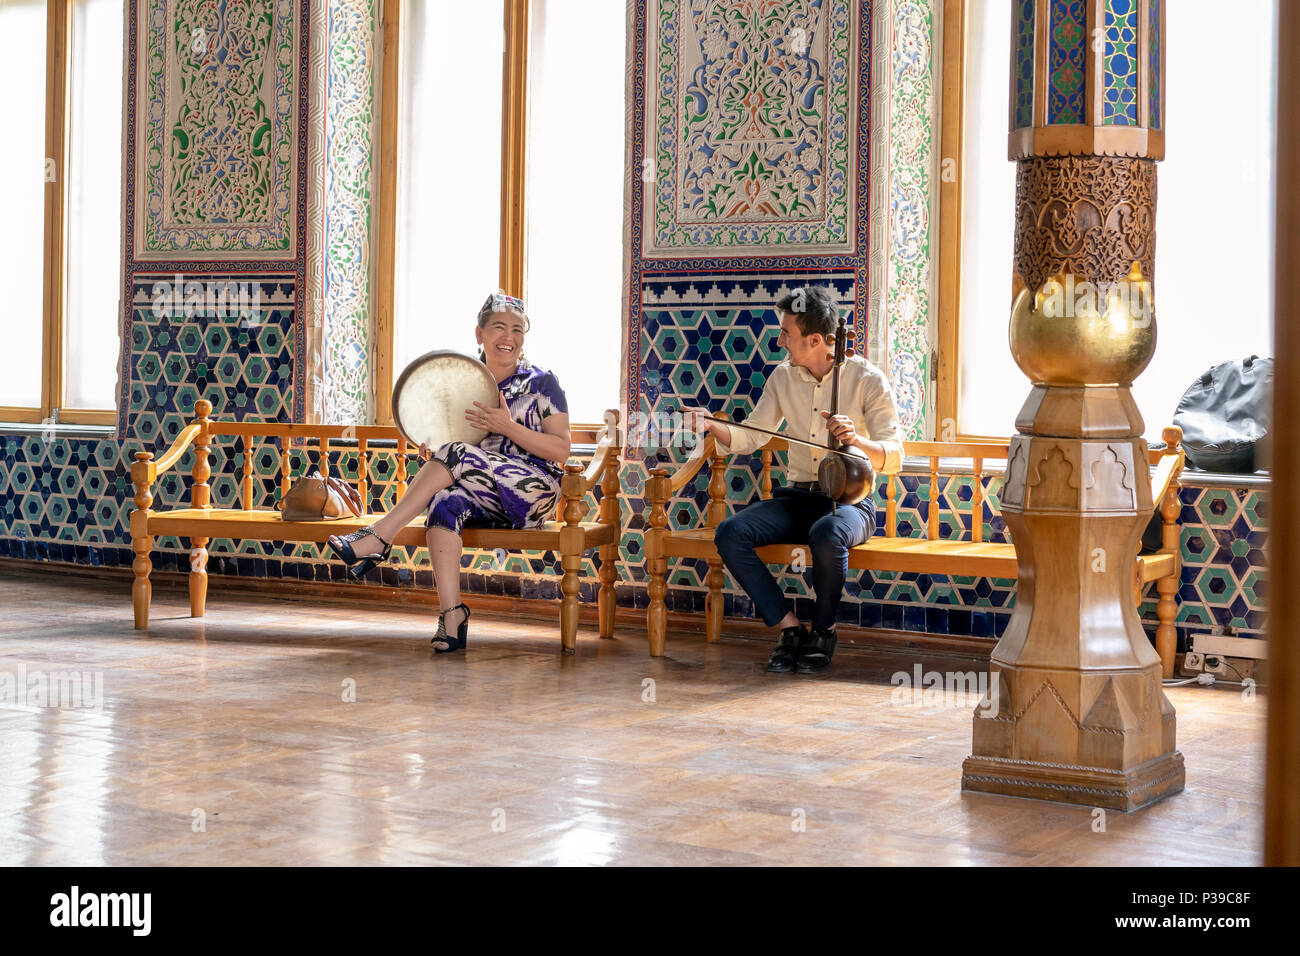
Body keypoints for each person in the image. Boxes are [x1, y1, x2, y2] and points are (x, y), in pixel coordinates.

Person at [327, 292, 571, 653]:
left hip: (533, 491)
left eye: (517, 329)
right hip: (482, 491)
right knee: (444, 500)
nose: (509, 337)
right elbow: (459, 444)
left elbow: (561, 450)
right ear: (480, 334)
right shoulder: (462, 379)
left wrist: (508, 427)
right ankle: (452, 616)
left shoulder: (542, 383)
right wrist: (435, 449)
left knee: (456, 455)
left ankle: (379, 537)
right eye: (499, 327)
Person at [684, 286, 904, 674]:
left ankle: (824, 631)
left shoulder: (867, 379)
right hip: (799, 498)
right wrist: (712, 424)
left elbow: (896, 456)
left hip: (851, 503)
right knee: (731, 533)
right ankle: (789, 629)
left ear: (816, 340)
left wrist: (857, 441)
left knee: (827, 534)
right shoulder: (782, 377)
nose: (780, 340)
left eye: (787, 333)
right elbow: (753, 435)